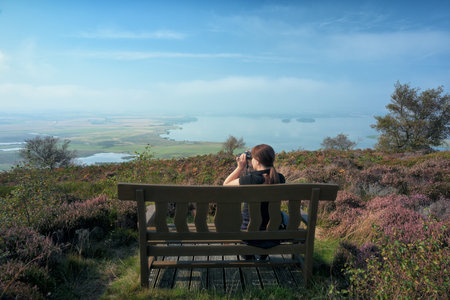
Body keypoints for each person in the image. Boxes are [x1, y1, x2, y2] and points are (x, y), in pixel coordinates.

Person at [223, 144, 286, 260]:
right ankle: (262, 252)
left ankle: (249, 252)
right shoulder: (280, 178)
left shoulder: (250, 179)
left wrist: (240, 167)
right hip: (273, 234)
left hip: (248, 234)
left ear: (256, 161)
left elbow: (225, 185)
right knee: (282, 215)